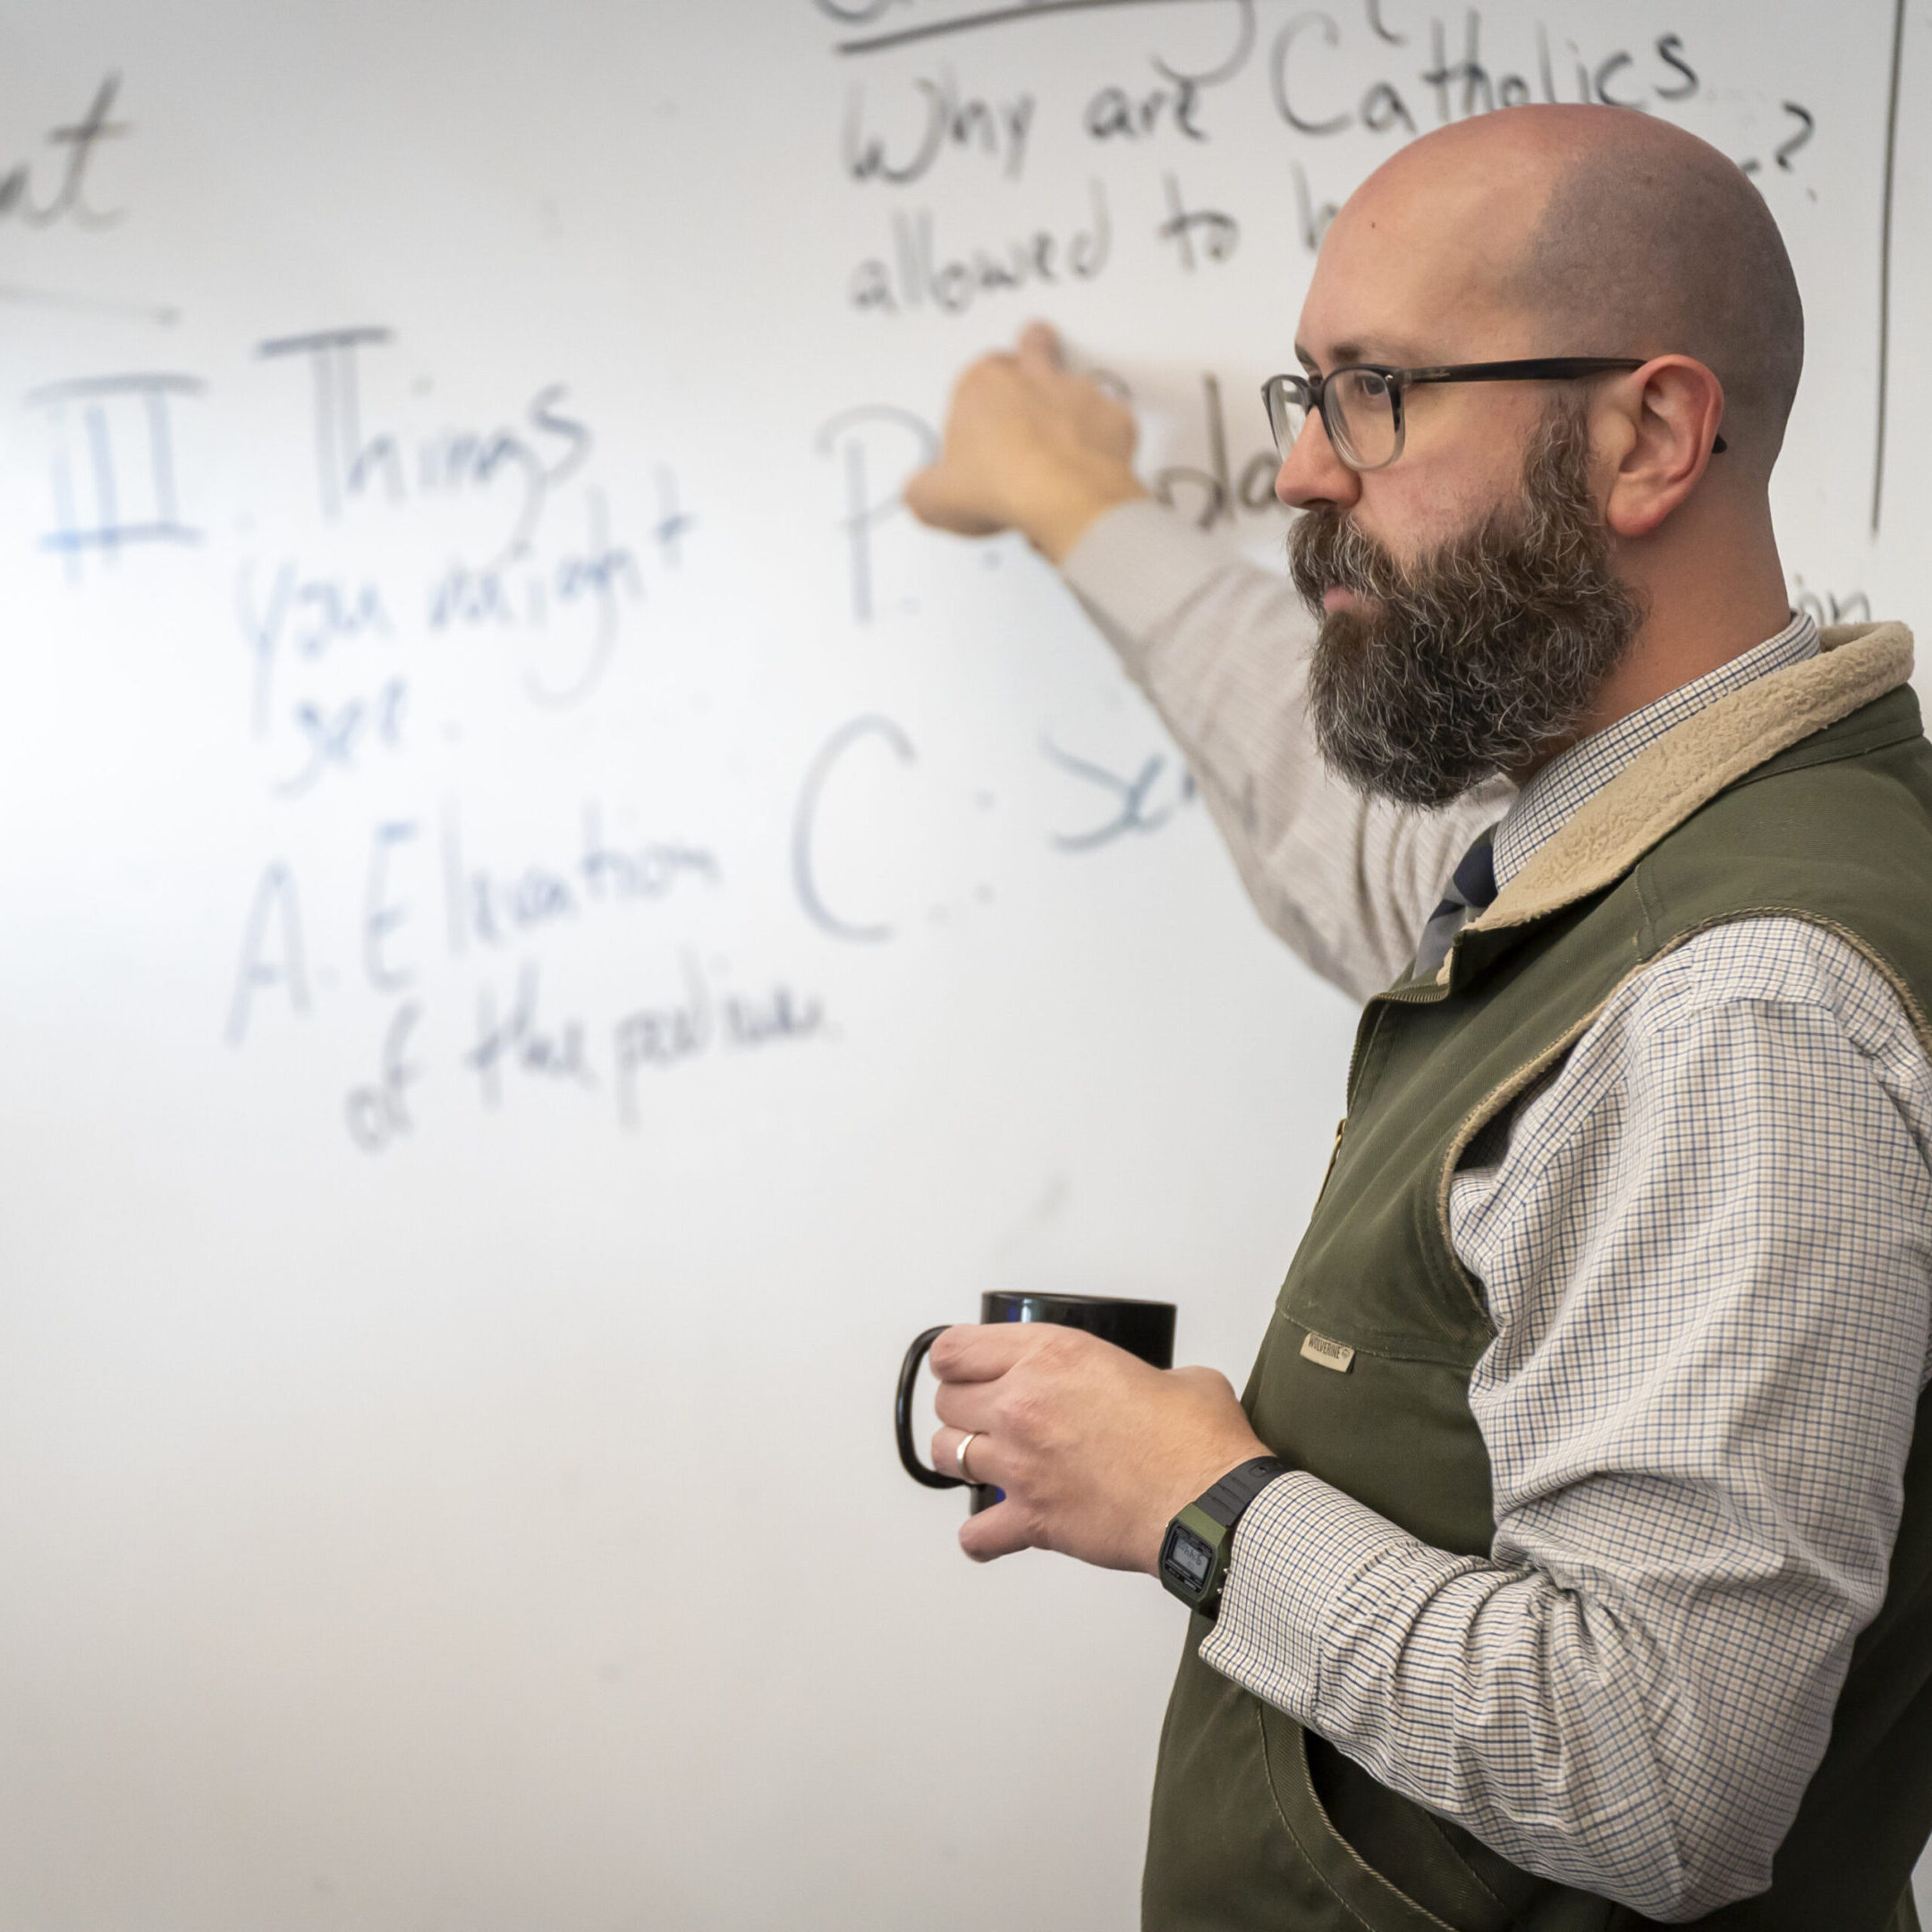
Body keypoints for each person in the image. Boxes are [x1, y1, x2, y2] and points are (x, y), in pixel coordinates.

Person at [905, 104, 1932, 1931]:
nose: (1303, 472)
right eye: (1311, 394)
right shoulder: (1628, 849)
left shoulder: (1739, 1005)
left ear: (1650, 436)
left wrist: (1199, 1503)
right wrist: (1077, 500)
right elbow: (1348, 841)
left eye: (1373, 393)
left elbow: (1663, 1774)